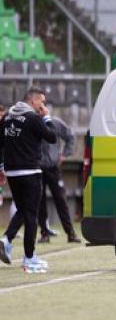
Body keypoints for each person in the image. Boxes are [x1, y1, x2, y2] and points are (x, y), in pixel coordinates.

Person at [0, 87, 58, 273]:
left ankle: (6, 240)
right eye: (42, 101)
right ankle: (29, 258)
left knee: (23, 211)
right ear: (33, 101)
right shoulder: (33, 118)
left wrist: (2, 167)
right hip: (30, 172)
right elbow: (52, 137)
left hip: (12, 173)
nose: (43, 105)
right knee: (32, 216)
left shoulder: (7, 117)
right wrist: (47, 117)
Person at [36, 115, 79, 244]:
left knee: (61, 200)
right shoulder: (33, 123)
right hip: (37, 167)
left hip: (54, 167)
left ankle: (70, 233)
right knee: (40, 201)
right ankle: (44, 233)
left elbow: (70, 137)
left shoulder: (56, 122)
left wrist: (65, 154)